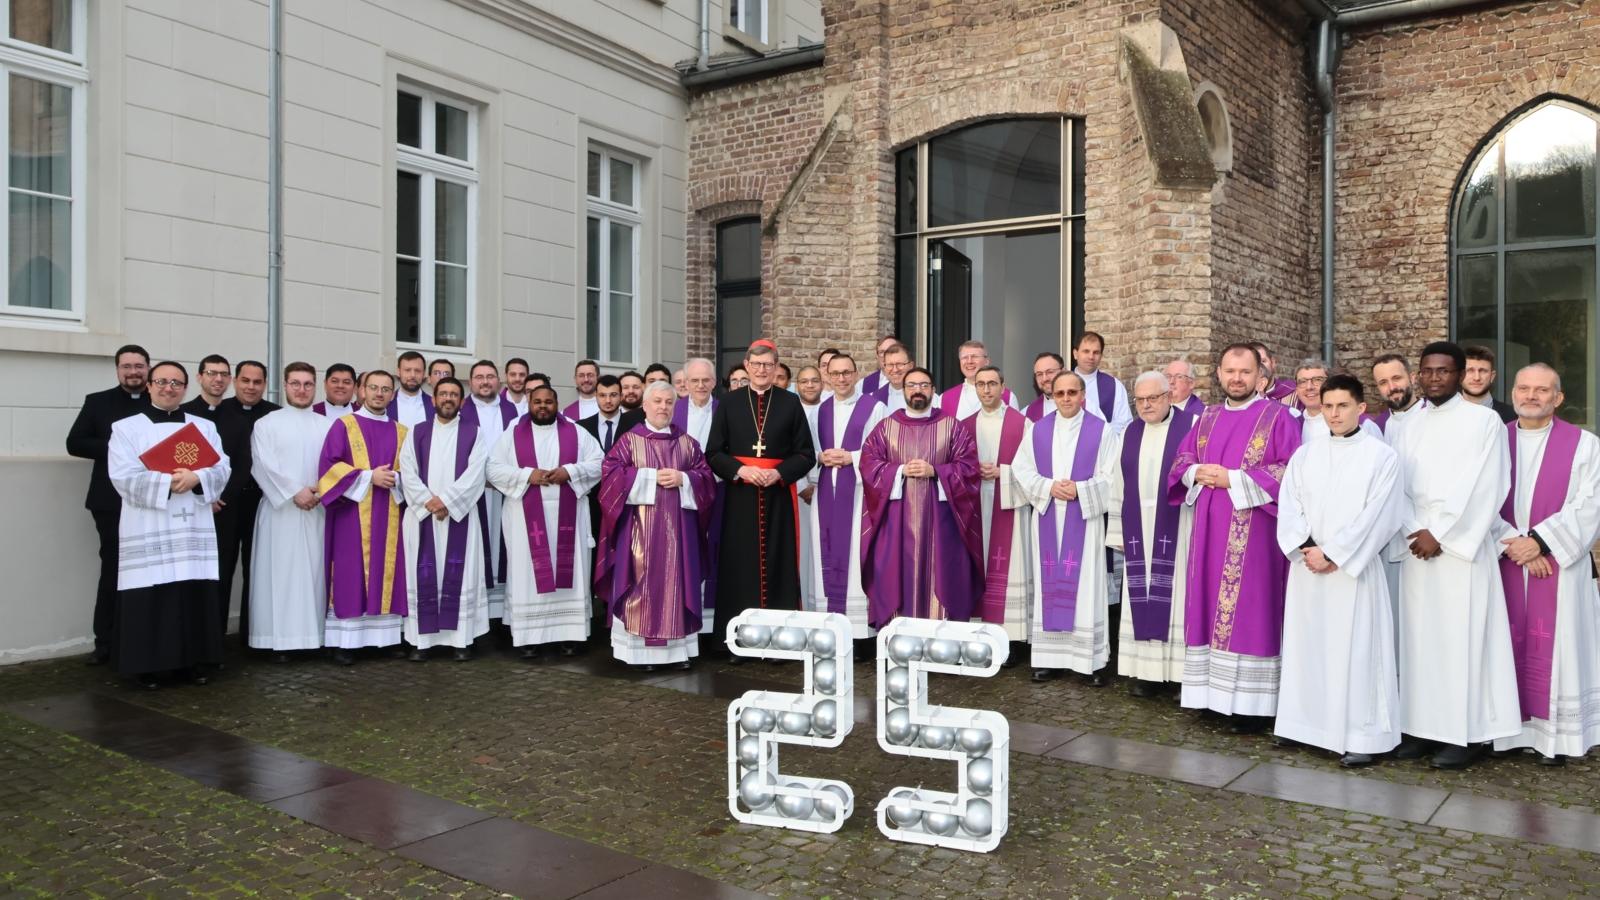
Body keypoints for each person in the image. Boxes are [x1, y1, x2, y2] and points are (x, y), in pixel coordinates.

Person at [1389, 341, 1519, 768]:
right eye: (1426, 370)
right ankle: (1420, 729)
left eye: (1443, 371)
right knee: (1418, 642)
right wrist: (1414, 529)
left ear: (1461, 375)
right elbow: (1396, 486)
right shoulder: (1408, 425)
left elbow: (1488, 486)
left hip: (1460, 550)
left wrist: (1441, 534)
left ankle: (1465, 734)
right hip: (1416, 547)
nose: (1433, 378)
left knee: (1461, 642)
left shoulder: (1484, 422)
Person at [1168, 343, 1302, 732]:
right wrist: (1195, 473)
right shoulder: (1206, 418)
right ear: (1219, 374)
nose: (1237, 378)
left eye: (1245, 371)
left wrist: (1235, 479)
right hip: (1209, 533)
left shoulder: (1279, 417)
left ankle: (1251, 707)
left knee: (1251, 612)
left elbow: (1292, 471)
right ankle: (1210, 697)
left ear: (1260, 376)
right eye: (1230, 371)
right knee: (1207, 606)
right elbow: (1181, 461)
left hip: (1256, 534)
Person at [1274, 375, 1405, 766]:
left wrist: (1333, 553)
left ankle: (1363, 736)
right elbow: (1290, 506)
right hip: (1308, 570)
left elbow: (1380, 515)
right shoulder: (1306, 455)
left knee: (1358, 651)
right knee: (1309, 647)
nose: (1334, 413)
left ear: (1361, 408)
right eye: (1328, 406)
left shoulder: (1381, 457)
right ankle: (1305, 726)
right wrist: (1307, 548)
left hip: (1352, 572)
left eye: (1343, 405)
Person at [1491, 364, 1600, 765]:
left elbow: (1590, 504)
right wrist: (1515, 544)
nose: (1531, 396)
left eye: (1541, 390)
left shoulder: (1585, 445)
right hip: (1505, 560)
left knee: (1557, 645)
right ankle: (1505, 732)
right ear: (1513, 393)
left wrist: (1539, 543)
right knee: (1503, 641)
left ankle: (1555, 739)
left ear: (1558, 397)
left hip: (1559, 570)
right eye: (1524, 388)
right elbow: (1477, 499)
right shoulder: (1493, 440)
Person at [107, 361, 230, 688]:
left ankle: (190, 663)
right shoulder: (126, 428)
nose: (168, 388)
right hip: (149, 525)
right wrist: (170, 482)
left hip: (192, 525)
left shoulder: (204, 427)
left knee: (191, 592)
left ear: (186, 388)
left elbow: (222, 467)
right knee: (152, 593)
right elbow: (122, 476)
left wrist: (197, 477)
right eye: (161, 381)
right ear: (149, 385)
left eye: (176, 383)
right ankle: (146, 667)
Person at [595, 381, 717, 670]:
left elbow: (707, 481)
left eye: (668, 402)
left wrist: (684, 479)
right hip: (638, 534)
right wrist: (648, 478)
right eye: (657, 401)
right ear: (645, 406)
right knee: (639, 584)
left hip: (679, 535)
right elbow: (609, 477)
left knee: (678, 584)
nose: (663, 407)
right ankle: (639, 655)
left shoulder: (687, 443)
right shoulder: (629, 441)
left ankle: (677, 654)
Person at [705, 340, 816, 642]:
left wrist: (779, 473)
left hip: (778, 496)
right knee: (738, 564)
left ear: (776, 367)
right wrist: (741, 471)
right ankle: (738, 638)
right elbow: (713, 452)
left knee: (779, 563)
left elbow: (806, 454)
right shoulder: (729, 403)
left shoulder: (790, 403)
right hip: (740, 497)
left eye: (768, 364)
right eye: (756, 364)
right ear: (747, 365)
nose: (762, 370)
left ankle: (780, 639)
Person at [1012, 372, 1118, 683]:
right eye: (1060, 393)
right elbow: (1021, 469)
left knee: (1086, 588)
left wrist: (1080, 490)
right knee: (1049, 586)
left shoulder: (1101, 430)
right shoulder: (1037, 430)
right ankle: (1050, 659)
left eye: (1072, 392)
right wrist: (1048, 487)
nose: (1066, 398)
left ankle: (1090, 662)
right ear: (1052, 396)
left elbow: (1113, 476)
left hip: (1084, 519)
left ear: (1083, 395)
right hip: (1048, 517)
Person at [858, 366, 983, 628]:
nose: (918, 390)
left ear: (933, 391)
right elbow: (869, 464)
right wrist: (899, 470)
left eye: (924, 385)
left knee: (942, 575)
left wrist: (936, 471)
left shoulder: (952, 426)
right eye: (912, 385)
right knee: (895, 573)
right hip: (897, 522)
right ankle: (898, 633)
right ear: (903, 391)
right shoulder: (886, 427)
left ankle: (942, 635)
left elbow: (969, 468)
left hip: (941, 522)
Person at [490, 385, 605, 659]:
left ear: (556, 403)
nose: (543, 406)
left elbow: (600, 462)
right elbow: (492, 469)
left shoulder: (576, 432)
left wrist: (570, 472)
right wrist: (526, 476)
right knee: (528, 575)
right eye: (537, 402)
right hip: (525, 521)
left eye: (548, 402)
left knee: (570, 574)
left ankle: (570, 636)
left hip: (569, 519)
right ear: (529, 403)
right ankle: (529, 637)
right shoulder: (512, 434)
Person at [1107, 372, 1197, 697]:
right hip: (1137, 528)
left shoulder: (1192, 426)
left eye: (1153, 398)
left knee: (1177, 597)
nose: (1146, 405)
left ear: (1168, 396)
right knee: (1140, 595)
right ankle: (1146, 674)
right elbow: (1117, 483)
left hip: (1178, 525)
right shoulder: (1130, 433)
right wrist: (1117, 530)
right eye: (1140, 400)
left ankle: (1180, 675)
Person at [67, 344, 153, 664]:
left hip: (152, 501)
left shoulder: (159, 401)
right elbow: (75, 443)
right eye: (126, 366)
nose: (133, 372)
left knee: (149, 571)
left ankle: (143, 638)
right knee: (114, 568)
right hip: (110, 501)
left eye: (139, 366)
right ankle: (105, 642)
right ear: (117, 370)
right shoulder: (98, 402)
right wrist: (121, 450)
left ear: (148, 368)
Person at [395, 377, 490, 662]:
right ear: (434, 399)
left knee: (461, 576)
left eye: (453, 394)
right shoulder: (416, 432)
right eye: (443, 394)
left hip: (459, 516)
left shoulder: (474, 433)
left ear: (461, 401)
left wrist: (447, 501)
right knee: (421, 575)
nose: (448, 398)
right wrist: (428, 501)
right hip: (422, 517)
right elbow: (407, 471)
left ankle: (461, 641)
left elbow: (476, 473)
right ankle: (421, 642)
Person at [318, 370, 409, 664]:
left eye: (385, 389)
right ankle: (346, 642)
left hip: (391, 512)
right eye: (373, 388)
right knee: (350, 572)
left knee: (390, 572)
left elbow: (413, 472)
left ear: (392, 395)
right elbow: (328, 468)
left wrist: (397, 478)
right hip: (351, 515)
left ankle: (386, 639)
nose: (379, 393)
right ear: (362, 391)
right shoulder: (344, 425)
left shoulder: (402, 432)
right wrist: (369, 477)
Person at [248, 362, 330, 661]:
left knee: (314, 574)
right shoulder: (267, 424)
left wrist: (319, 491)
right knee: (279, 574)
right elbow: (263, 465)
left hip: (317, 510)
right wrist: (295, 492)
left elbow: (336, 465)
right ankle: (278, 640)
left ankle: (314, 637)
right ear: (284, 385)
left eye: (307, 384)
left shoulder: (327, 425)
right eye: (295, 383)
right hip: (280, 511)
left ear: (315, 387)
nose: (301, 390)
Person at [808, 353, 885, 642]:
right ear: (827, 376)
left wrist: (851, 456)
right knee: (824, 550)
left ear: (855, 374)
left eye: (847, 373)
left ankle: (859, 632)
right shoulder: (820, 410)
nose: (841, 378)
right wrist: (820, 457)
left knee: (855, 554)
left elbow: (882, 451)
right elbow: (809, 448)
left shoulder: (874, 407)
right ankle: (829, 626)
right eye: (836, 373)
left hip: (858, 494)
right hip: (826, 490)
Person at [211, 360, 280, 642]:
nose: (251, 387)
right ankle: (215, 636)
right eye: (245, 381)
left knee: (257, 569)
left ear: (265, 384)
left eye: (257, 382)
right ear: (235, 381)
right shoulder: (218, 412)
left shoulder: (275, 415)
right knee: (222, 568)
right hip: (225, 503)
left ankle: (252, 635)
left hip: (261, 502)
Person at [970, 365, 1033, 650]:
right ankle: (977, 635)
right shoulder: (964, 425)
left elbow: (1034, 470)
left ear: (1003, 387)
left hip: (1010, 504)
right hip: (975, 506)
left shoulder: (1022, 424)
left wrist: (1002, 473)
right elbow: (954, 467)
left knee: (1010, 566)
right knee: (978, 564)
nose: (986, 389)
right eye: (981, 384)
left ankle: (1011, 639)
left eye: (992, 383)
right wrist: (973, 471)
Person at [462, 360, 520, 623]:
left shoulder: (512, 412)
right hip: (473, 493)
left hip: (506, 491)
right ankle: (478, 612)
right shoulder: (460, 412)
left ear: (499, 381)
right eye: (479, 377)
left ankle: (502, 612)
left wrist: (503, 476)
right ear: (470, 382)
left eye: (490, 376)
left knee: (505, 546)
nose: (485, 382)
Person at [672, 359, 721, 640]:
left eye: (706, 380)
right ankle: (684, 617)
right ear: (685, 383)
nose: (700, 385)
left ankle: (712, 626)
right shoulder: (673, 410)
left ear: (714, 381)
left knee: (714, 550)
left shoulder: (725, 410)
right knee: (684, 552)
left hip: (718, 493)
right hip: (680, 495)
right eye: (695, 380)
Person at [1293, 360, 1381, 443]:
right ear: (1296, 389)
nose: (1309, 387)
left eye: (1317, 380)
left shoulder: (1362, 423)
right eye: (1302, 381)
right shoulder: (1294, 422)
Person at [795, 364, 825, 608]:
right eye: (804, 381)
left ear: (822, 383)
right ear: (797, 385)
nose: (810, 385)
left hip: (828, 489)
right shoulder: (791, 411)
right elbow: (786, 452)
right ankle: (804, 606)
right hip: (800, 492)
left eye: (814, 380)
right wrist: (802, 485)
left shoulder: (829, 410)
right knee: (804, 553)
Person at [1072, 332, 1133, 435]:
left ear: (1101, 356)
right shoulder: (1062, 384)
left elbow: (1125, 423)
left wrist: (1097, 431)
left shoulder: (1114, 386)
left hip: (1103, 443)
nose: (1091, 357)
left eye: (1096, 352)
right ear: (1075, 354)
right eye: (1086, 351)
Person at [938, 341, 1017, 419]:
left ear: (986, 362)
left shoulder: (1008, 397)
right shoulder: (945, 399)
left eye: (974, 356)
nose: (969, 361)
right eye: (965, 357)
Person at [1370, 354, 1422, 437]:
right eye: (1383, 383)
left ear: (1412, 378)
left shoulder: (1433, 414)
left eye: (1397, 378)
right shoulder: (1377, 428)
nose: (1392, 388)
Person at [1463, 345, 1517, 423]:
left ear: (1492, 376)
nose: (1477, 378)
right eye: (1470, 371)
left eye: (1483, 371)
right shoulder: (1447, 412)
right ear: (1460, 375)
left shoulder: (1513, 416)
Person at [387, 351, 434, 427]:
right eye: (407, 370)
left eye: (417, 371)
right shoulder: (386, 404)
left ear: (424, 374)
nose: (412, 375)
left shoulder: (434, 405)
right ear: (398, 372)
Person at [873, 343, 914, 413]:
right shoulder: (873, 399)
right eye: (890, 365)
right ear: (885, 367)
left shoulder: (927, 397)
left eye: (900, 364)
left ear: (911, 366)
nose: (895, 370)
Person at [1024, 352, 1064, 422]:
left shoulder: (1084, 406)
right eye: (1039, 374)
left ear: (1063, 372)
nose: (1045, 379)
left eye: (1050, 372)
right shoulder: (1026, 413)